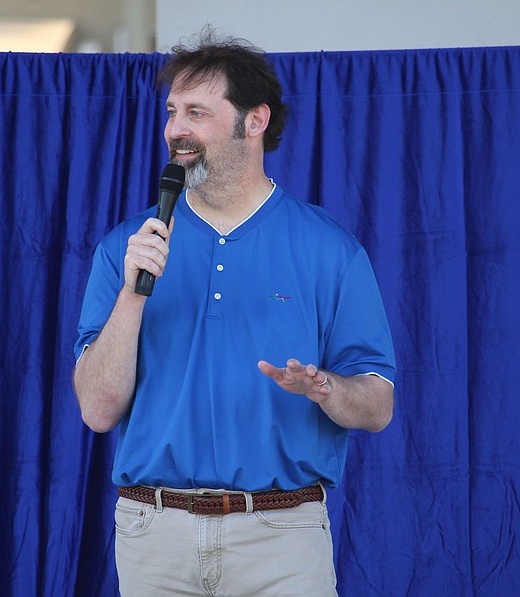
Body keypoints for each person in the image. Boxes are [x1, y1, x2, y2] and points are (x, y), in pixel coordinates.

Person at [73, 32, 396, 596]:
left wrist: (327, 389)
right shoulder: (127, 246)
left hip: (282, 537)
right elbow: (98, 411)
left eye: (196, 112)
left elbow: (378, 406)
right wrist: (132, 294)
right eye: (172, 111)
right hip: (155, 536)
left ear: (254, 122)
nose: (176, 128)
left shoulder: (330, 249)